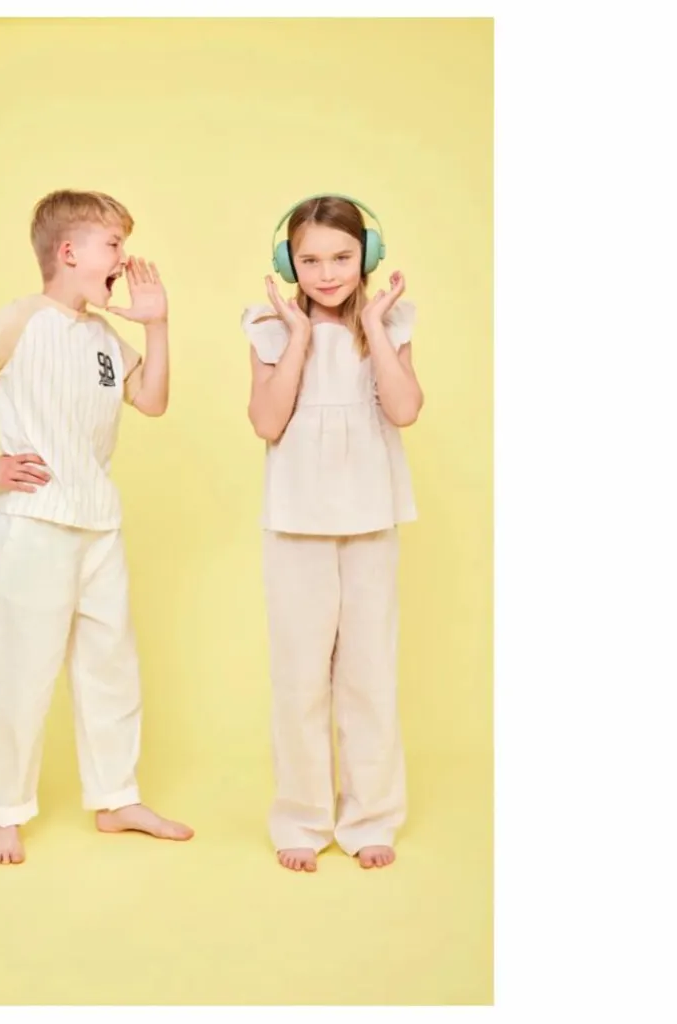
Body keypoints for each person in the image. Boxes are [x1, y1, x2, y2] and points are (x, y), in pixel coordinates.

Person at [0, 189, 193, 864]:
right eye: (114, 245)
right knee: (23, 670)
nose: (124, 260)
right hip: (37, 524)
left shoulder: (104, 339)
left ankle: (116, 797)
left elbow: (153, 401)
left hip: (99, 524)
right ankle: (6, 812)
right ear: (69, 252)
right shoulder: (18, 321)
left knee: (110, 666)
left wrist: (157, 326)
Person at [241, 194, 424, 872]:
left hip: (370, 516)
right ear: (287, 261)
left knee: (369, 674)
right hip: (297, 520)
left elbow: (404, 409)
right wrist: (298, 337)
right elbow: (267, 422)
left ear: (367, 256)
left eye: (342, 257)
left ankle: (372, 816)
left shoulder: (390, 321)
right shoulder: (269, 325)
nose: (326, 274)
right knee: (299, 678)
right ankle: (301, 816)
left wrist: (373, 325)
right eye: (310, 259)